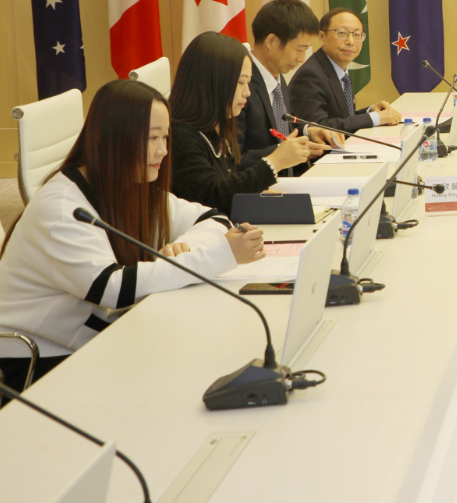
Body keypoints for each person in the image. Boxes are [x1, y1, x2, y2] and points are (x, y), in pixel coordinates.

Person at [0, 80, 264, 388]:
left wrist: (184, 248)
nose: (163, 150)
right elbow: (112, 288)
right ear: (112, 139)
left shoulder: (125, 182)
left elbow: (212, 218)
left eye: (165, 137)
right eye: (152, 138)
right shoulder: (61, 209)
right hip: (38, 359)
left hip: (97, 334)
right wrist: (219, 256)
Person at [169, 32, 312, 215]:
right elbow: (213, 197)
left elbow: (230, 182)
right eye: (240, 82)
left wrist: (255, 195)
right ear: (212, 81)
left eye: (248, 83)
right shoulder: (180, 135)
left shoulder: (217, 126)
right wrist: (274, 162)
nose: (247, 92)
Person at [238, 0, 341, 173]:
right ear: (271, 41)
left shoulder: (278, 76)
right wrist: (283, 152)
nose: (302, 59)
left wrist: (308, 132)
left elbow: (283, 129)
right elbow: (234, 160)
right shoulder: (240, 86)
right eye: (299, 49)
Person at [290, 8, 402, 133]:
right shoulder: (310, 76)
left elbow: (343, 118)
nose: (351, 41)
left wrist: (370, 111)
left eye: (357, 35)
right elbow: (318, 127)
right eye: (342, 33)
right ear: (322, 37)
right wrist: (375, 118)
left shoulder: (338, 69)